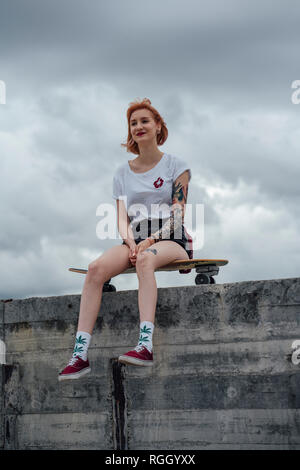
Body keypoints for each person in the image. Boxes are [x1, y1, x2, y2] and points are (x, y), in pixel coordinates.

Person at [58, 98, 192, 381]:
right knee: (95, 269)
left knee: (145, 260)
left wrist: (150, 241)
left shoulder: (176, 165)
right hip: (136, 238)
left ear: (158, 126)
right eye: (133, 124)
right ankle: (79, 356)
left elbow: (178, 214)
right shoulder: (122, 172)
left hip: (170, 238)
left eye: (144, 121)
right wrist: (130, 241)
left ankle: (145, 345)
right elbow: (121, 216)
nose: (138, 127)